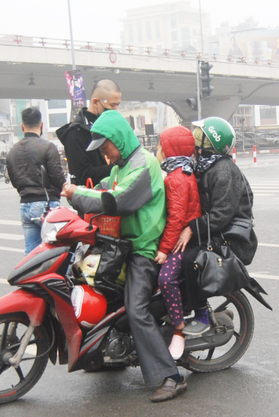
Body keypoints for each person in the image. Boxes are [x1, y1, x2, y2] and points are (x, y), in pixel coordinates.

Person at [61, 110, 187, 403]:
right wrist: (84, 194)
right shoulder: (121, 165)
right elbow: (107, 188)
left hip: (142, 249)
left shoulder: (144, 164)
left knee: (136, 308)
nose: (106, 154)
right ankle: (104, 355)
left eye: (107, 147)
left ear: (119, 139)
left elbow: (119, 201)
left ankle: (172, 376)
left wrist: (77, 193)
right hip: (120, 243)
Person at [178, 117, 256, 336]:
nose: (194, 140)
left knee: (190, 260)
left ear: (210, 145)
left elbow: (221, 215)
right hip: (213, 231)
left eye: (199, 137)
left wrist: (192, 228)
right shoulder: (203, 166)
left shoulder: (223, 170)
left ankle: (201, 313)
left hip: (229, 238)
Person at [154, 126, 202, 360]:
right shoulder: (181, 171)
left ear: (169, 149)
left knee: (165, 278)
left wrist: (163, 250)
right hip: (180, 236)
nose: (157, 150)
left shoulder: (177, 178)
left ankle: (178, 327)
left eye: (160, 145)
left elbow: (176, 219)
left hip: (185, 243)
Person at [6, 107, 66, 254]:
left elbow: (14, 180)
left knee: (31, 253)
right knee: (56, 252)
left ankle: (30, 277)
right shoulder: (48, 147)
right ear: (42, 125)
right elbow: (58, 177)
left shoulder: (12, 151)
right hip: (46, 205)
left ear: (22, 127)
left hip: (25, 205)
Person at [56, 79, 121, 189]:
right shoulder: (76, 133)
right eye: (112, 105)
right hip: (90, 199)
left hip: (113, 194)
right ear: (95, 102)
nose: (116, 110)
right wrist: (117, 168)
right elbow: (82, 175)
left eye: (118, 105)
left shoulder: (111, 127)